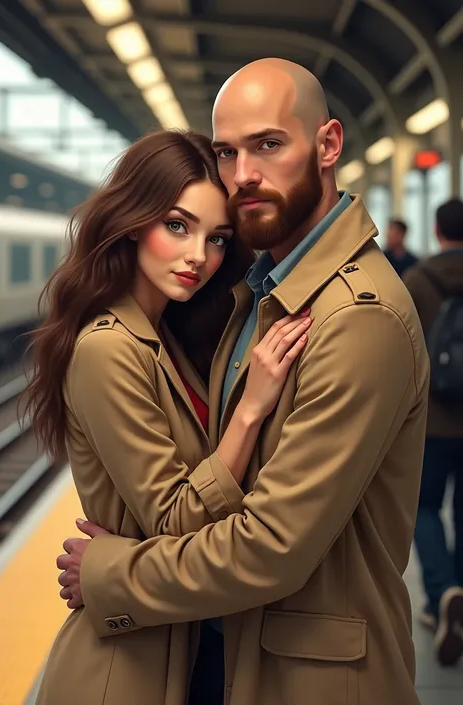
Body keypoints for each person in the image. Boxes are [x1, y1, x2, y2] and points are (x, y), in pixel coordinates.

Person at [58, 59, 430, 705]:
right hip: (227, 656)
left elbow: (271, 547)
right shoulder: (260, 299)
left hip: (308, 677)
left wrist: (111, 575)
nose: (243, 175)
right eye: (227, 152)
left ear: (328, 144)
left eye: (268, 144)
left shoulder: (355, 317)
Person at [25, 129, 312, 705]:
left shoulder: (167, 338)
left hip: (174, 647)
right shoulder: (109, 348)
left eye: (218, 239)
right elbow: (177, 516)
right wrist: (250, 409)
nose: (198, 257)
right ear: (132, 221)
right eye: (177, 226)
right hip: (124, 669)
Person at [403, 198, 463, 666]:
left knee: (423, 507)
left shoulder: (418, 280)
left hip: (432, 422)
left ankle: (442, 591)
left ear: (439, 231)